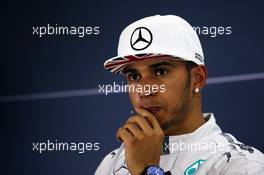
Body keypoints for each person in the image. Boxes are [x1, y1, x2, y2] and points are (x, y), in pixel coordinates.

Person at [95, 15, 264, 175]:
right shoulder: (111, 163)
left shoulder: (242, 166)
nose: (145, 90)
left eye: (160, 71)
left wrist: (148, 171)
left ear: (198, 78)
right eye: (134, 76)